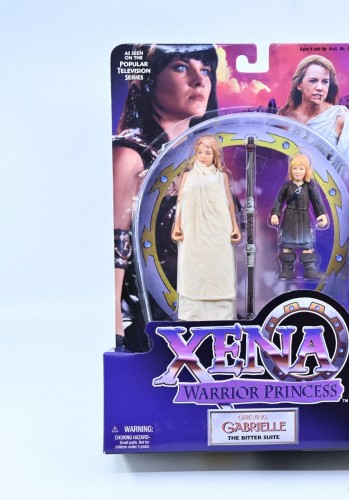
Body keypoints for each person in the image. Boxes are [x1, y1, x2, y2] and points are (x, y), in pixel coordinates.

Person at [113, 44, 219, 351]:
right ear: (148, 80)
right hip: (143, 325)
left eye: (206, 70)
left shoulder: (198, 161)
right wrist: (116, 328)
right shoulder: (131, 155)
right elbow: (115, 248)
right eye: (181, 67)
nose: (199, 80)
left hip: (189, 318)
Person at [172, 135, 241, 321]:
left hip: (218, 230)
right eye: (200, 152)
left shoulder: (221, 176)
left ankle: (223, 314)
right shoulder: (187, 176)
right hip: (192, 230)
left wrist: (235, 226)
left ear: (215, 155)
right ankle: (191, 313)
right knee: (192, 267)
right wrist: (177, 225)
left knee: (220, 268)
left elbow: (229, 202)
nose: (203, 156)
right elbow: (180, 202)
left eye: (207, 152)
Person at [278, 55, 349, 172]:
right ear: (299, 85)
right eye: (313, 81)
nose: (320, 88)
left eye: (325, 82)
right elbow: (276, 164)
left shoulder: (341, 119)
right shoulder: (284, 120)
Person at [270, 153, 328, 280]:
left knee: (307, 245)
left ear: (306, 170)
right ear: (290, 170)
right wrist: (275, 214)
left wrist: (322, 215)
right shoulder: (287, 186)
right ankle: (287, 270)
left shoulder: (309, 186)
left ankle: (310, 270)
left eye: (301, 168)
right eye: (295, 168)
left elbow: (317, 201)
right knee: (287, 245)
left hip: (303, 219)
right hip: (289, 218)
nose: (297, 171)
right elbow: (279, 200)